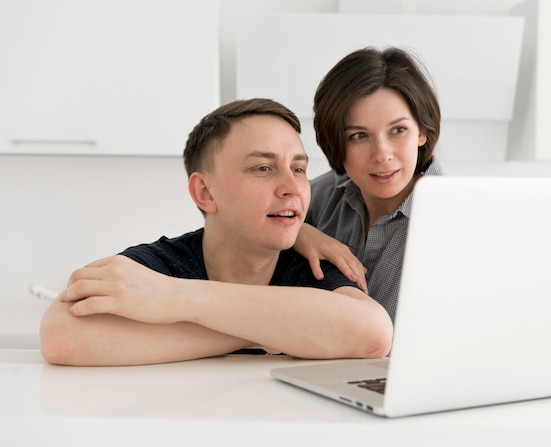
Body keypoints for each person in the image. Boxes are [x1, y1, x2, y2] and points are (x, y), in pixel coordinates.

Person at [39, 98, 393, 366]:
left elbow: (373, 333)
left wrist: (175, 299)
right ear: (205, 193)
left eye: (298, 169)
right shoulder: (164, 262)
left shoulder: (306, 267)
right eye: (263, 168)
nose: (292, 187)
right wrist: (282, 331)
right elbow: (62, 336)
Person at [294, 47, 444, 323]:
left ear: (421, 130)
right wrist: (297, 233)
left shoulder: (457, 219)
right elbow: (237, 232)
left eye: (398, 130)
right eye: (359, 136)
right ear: (336, 142)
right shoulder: (319, 198)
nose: (382, 154)